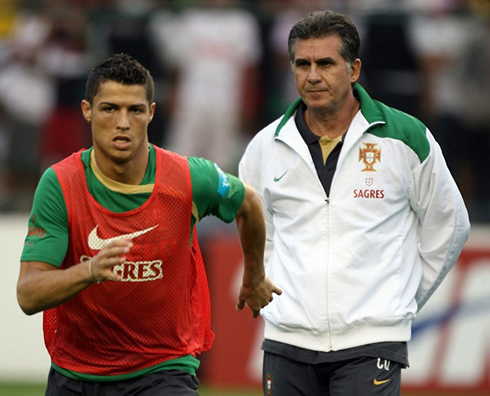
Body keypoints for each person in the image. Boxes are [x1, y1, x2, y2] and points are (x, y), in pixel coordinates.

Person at [16, 53, 281, 395]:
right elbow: (27, 294)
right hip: (76, 375)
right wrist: (90, 271)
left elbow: (248, 202)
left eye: (135, 110)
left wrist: (254, 275)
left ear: (151, 113)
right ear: (87, 111)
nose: (123, 122)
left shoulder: (188, 177)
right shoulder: (61, 184)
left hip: (162, 370)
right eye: (110, 109)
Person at [239, 10, 470, 396]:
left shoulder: (405, 137)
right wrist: (274, 292)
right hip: (287, 338)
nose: (313, 76)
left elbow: (450, 225)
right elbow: (260, 231)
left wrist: (399, 299)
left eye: (326, 63)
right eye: (302, 64)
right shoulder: (265, 146)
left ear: (354, 69)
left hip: (372, 341)